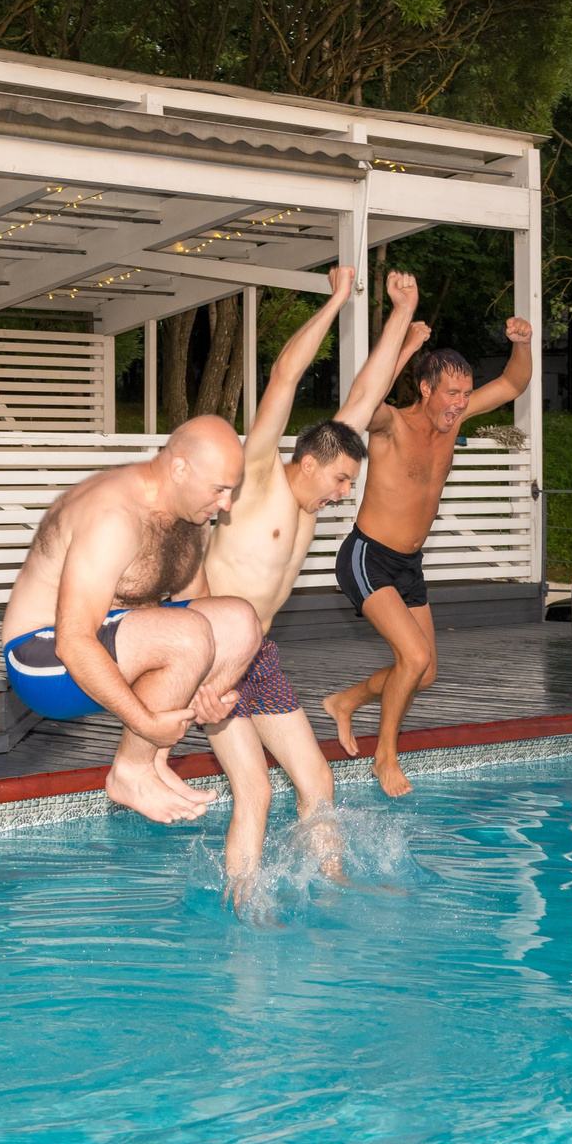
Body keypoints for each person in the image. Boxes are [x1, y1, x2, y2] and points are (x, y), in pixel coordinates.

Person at [183, 269, 428, 898]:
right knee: (257, 789)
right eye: (342, 481)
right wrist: (338, 300)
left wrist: (402, 312)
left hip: (256, 655)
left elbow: (368, 392)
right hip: (209, 651)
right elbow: (284, 376)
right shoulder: (259, 473)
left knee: (318, 781)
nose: (346, 495)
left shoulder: (319, 479)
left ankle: (336, 882)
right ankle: (243, 901)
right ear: (310, 462)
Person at [0, 415, 263, 825]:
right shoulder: (113, 515)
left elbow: (203, 612)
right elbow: (73, 640)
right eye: (220, 489)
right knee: (187, 636)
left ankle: (151, 763)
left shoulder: (190, 518)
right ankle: (131, 770)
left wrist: (207, 697)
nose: (226, 504)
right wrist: (146, 723)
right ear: (180, 469)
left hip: (114, 645)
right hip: (43, 658)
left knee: (241, 621)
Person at [322, 317, 534, 796]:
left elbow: (515, 382)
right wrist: (405, 344)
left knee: (425, 671)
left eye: (465, 394)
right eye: (450, 394)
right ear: (424, 388)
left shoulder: (455, 417)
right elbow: (360, 406)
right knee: (413, 656)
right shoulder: (391, 425)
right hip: (366, 557)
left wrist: (521, 343)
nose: (459, 404)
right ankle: (385, 756)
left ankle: (346, 701)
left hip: (408, 566)